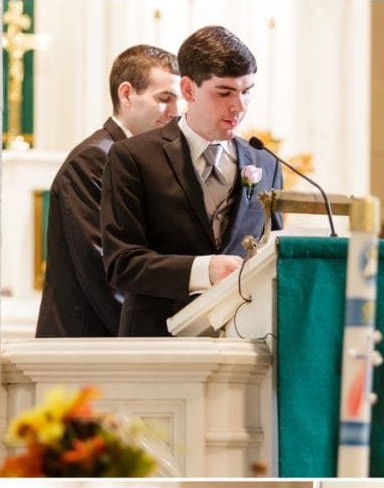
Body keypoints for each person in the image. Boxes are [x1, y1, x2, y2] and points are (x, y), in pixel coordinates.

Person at [101, 25, 282, 337]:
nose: (238, 106)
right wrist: (204, 270)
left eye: (247, 92)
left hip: (245, 343)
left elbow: (273, 255)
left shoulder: (265, 162)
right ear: (188, 90)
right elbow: (122, 264)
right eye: (224, 92)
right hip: (157, 342)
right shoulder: (133, 156)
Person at [35, 45, 180, 338]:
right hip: (86, 344)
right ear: (126, 94)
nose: (175, 113)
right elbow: (103, 269)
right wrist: (160, 341)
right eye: (165, 99)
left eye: (178, 101)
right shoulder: (94, 160)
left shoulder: (140, 158)